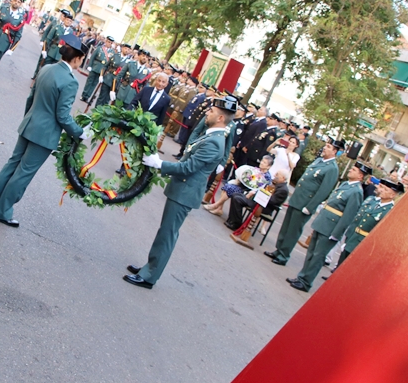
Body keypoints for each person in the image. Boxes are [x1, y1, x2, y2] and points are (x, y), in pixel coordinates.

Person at [123, 96, 238, 289]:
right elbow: (192, 148)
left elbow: (188, 167)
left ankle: (149, 276)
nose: (207, 113)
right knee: (165, 232)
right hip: (182, 190)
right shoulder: (211, 135)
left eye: (211, 112)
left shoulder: (214, 142)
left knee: (167, 234)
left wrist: (159, 163)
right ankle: (149, 266)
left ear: (220, 118)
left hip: (185, 192)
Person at [0, 34, 92, 227]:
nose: (81, 63)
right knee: (24, 172)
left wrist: (29, 119)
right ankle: (3, 211)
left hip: (30, 124)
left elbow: (31, 98)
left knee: (12, 164)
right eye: (82, 59)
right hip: (44, 134)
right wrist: (79, 132)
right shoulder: (70, 81)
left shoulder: (47, 68)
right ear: (77, 58)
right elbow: (63, 116)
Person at [286, 162, 369, 292]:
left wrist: (336, 233)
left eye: (354, 170)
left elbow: (348, 215)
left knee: (318, 256)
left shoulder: (356, 192)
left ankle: (306, 282)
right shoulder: (345, 184)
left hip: (331, 226)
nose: (350, 171)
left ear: (360, 176)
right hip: (323, 221)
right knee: (311, 252)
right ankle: (302, 277)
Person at [264, 139, 343, 266]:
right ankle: (279, 250)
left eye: (328, 147)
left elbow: (324, 191)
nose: (324, 148)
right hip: (297, 199)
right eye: (326, 145)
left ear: (335, 151)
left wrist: (310, 206)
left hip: (305, 203)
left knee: (293, 231)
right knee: (286, 227)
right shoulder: (319, 161)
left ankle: (284, 255)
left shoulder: (332, 168)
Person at [204, 155, 273, 215]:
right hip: (243, 186)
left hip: (250, 192)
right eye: (262, 161)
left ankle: (215, 206)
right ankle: (219, 208)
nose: (261, 163)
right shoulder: (257, 169)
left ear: (268, 166)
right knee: (228, 186)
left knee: (230, 189)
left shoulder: (267, 177)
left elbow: (261, 188)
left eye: (264, 163)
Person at [225, 170, 290, 232]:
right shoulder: (275, 184)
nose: (275, 175)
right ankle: (232, 220)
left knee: (237, 199)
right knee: (235, 195)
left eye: (277, 174)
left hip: (265, 207)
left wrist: (256, 194)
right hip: (259, 201)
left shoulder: (283, 190)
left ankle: (237, 223)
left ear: (283, 178)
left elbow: (272, 201)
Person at [81, 35, 108, 103]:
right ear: (106, 41)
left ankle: (87, 96)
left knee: (94, 84)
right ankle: (84, 95)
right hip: (95, 66)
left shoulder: (112, 53)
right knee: (89, 82)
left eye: (110, 43)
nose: (109, 43)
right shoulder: (100, 48)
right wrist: (89, 65)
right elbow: (93, 57)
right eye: (108, 42)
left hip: (101, 70)